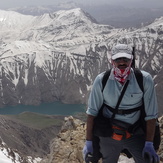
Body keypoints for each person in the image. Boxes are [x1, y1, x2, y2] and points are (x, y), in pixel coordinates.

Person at [83, 44, 160, 163]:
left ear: (131, 60)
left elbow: (151, 115)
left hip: (135, 133)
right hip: (109, 133)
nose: (122, 62)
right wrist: (89, 141)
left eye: (126, 59)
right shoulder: (102, 80)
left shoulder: (144, 79)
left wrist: (149, 143)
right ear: (112, 61)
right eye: (118, 59)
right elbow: (92, 113)